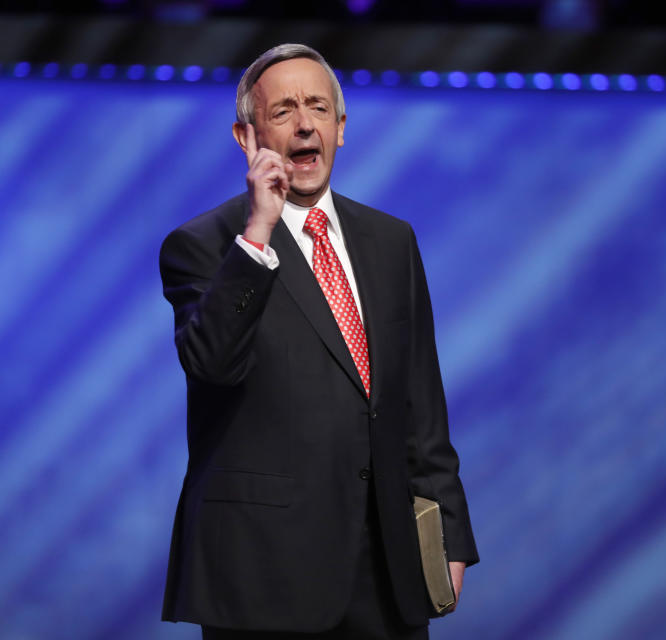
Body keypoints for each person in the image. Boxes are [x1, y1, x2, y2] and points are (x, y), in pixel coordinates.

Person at [158, 43, 478, 639]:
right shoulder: (204, 245)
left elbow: (420, 405)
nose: (305, 123)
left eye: (318, 107)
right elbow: (212, 364)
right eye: (282, 111)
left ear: (340, 127)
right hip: (264, 573)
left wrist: (450, 532)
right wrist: (258, 232)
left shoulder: (390, 241)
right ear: (245, 137)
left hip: (387, 570)